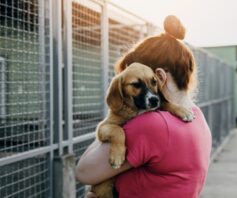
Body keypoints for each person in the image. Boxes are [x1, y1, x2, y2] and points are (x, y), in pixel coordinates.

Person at [76, 15, 212, 198]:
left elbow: (84, 172)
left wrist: (116, 119)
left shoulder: (152, 125)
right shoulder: (198, 117)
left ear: (160, 77)